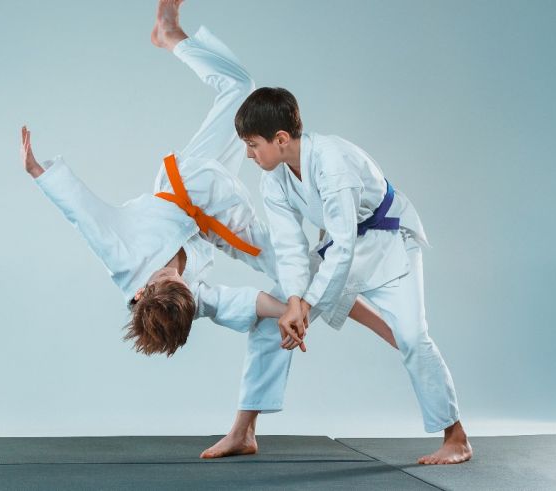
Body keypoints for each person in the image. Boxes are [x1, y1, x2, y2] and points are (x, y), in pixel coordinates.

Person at [20, 0, 397, 458]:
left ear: (141, 291)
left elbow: (80, 211)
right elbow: (247, 302)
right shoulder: (186, 302)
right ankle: (247, 428)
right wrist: (291, 313)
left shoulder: (119, 254)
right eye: (181, 285)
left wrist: (39, 171)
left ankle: (169, 34)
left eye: (169, 280)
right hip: (210, 216)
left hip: (189, 184)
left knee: (242, 90)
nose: (176, 276)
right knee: (285, 299)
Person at [230, 80, 473, 463]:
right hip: (342, 249)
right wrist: (294, 301)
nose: (248, 154)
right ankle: (244, 431)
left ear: (279, 139)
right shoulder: (273, 178)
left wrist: (306, 306)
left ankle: (455, 437)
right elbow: (291, 246)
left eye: (252, 144)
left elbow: (343, 245)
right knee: (271, 315)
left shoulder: (332, 162)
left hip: (389, 245)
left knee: (412, 337)